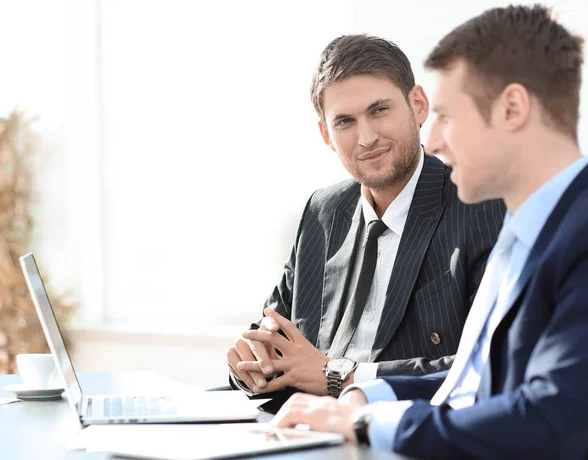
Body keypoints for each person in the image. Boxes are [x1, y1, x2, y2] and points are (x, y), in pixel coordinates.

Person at [271, 5, 588, 459]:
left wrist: (368, 422)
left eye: (446, 115)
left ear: (513, 108)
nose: (432, 139)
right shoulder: (528, 234)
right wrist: (368, 398)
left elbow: (554, 420)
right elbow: (473, 382)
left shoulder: (571, 234)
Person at [226, 34, 505, 407]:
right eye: (345, 122)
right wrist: (248, 363)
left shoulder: (480, 205)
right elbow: (273, 335)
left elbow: (488, 366)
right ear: (326, 134)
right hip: (299, 427)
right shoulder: (323, 211)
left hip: (402, 431)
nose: (367, 137)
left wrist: (337, 376)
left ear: (418, 105)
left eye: (379, 110)